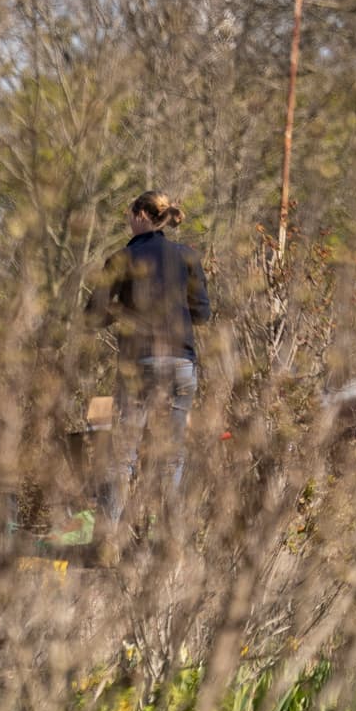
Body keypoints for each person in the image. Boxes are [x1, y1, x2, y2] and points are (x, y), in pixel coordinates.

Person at [93, 190, 209, 529]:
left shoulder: (120, 260)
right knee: (172, 456)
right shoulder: (187, 257)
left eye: (129, 214)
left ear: (142, 215)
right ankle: (171, 540)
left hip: (139, 364)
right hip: (180, 365)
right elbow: (202, 314)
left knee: (123, 454)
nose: (127, 220)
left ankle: (111, 539)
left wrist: (118, 311)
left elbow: (92, 318)